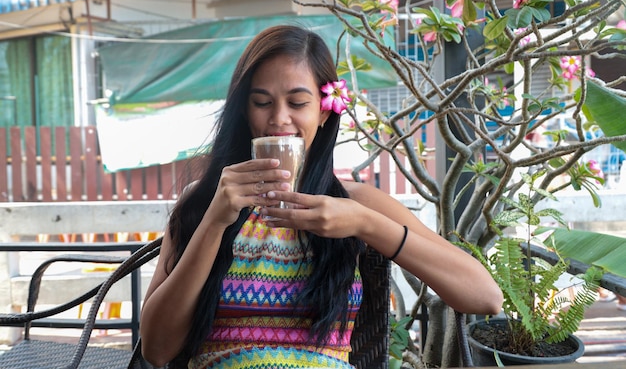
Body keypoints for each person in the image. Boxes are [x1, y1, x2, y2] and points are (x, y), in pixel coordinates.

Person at [139, 24, 504, 369]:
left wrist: (365, 223)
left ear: (324, 113)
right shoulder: (205, 202)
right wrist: (215, 221)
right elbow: (156, 350)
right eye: (262, 102)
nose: (278, 119)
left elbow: (484, 295)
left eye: (297, 103)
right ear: (245, 112)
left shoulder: (355, 203)